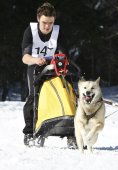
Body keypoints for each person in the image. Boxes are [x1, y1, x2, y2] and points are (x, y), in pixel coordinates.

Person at [21, 2, 75, 147]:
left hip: (55, 67)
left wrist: (61, 59)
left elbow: (64, 54)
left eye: (50, 23)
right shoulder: (30, 31)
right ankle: (29, 132)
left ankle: (72, 133)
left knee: (68, 92)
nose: (47, 26)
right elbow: (25, 58)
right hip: (35, 66)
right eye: (44, 22)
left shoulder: (58, 32)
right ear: (38, 18)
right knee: (33, 96)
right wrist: (36, 60)